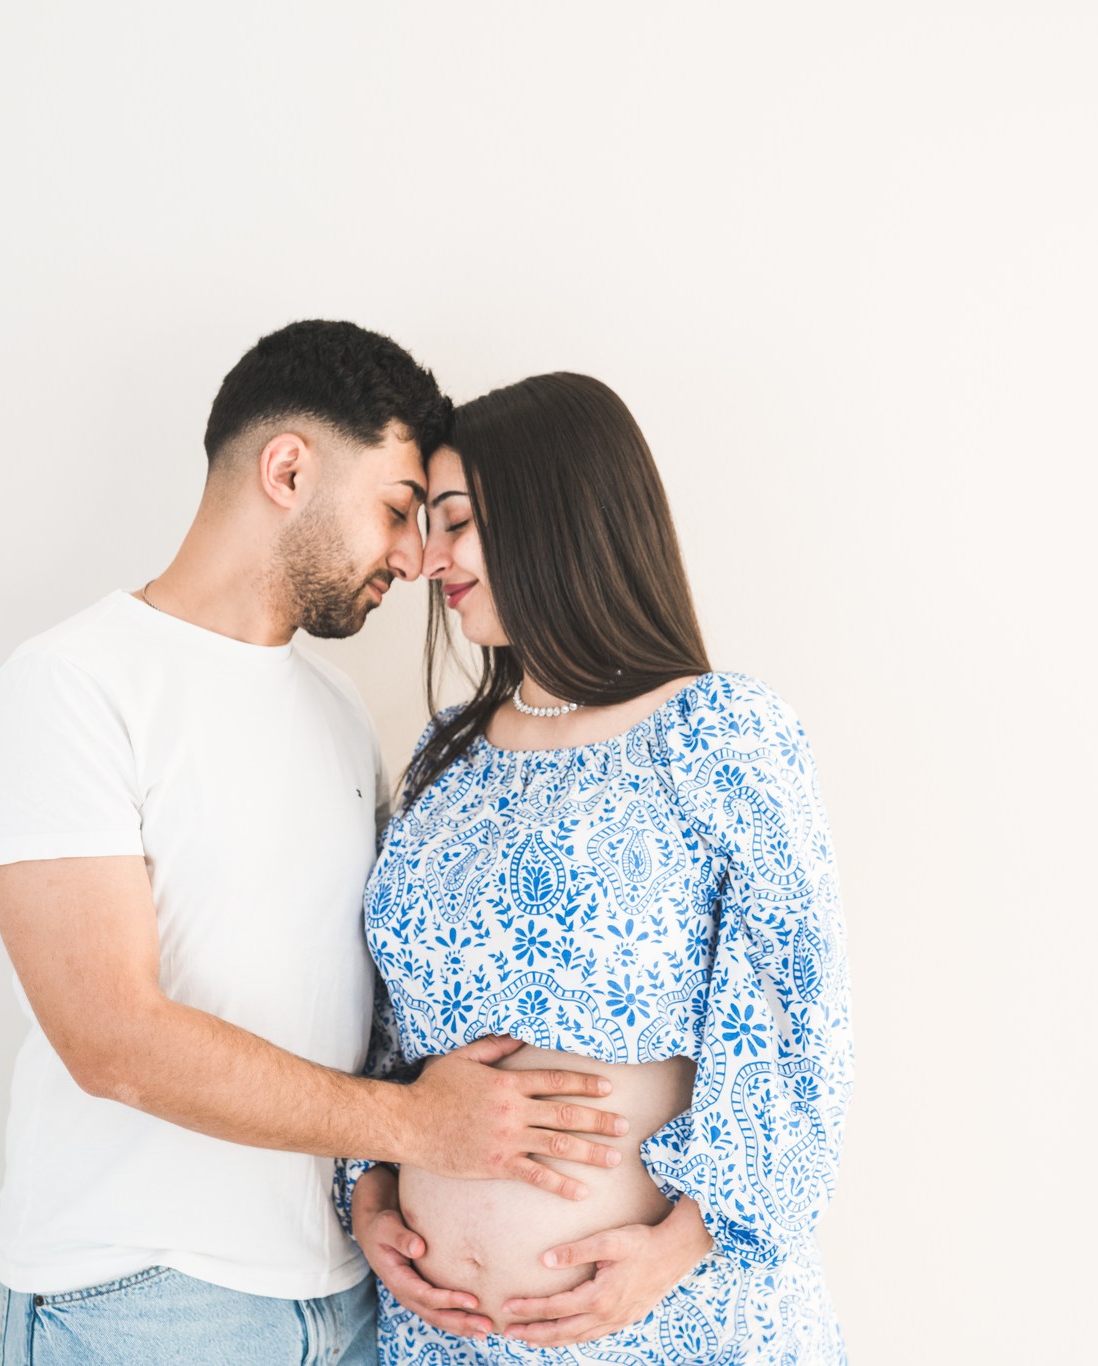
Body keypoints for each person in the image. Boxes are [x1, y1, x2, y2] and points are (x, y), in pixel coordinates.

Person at [0, 324, 630, 1366]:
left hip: (350, 1294)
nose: (415, 558)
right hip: (142, 1299)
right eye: (398, 509)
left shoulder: (337, 712)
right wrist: (419, 1131)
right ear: (287, 468)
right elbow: (111, 1039)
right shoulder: (71, 686)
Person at [339, 373, 855, 1363]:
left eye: (456, 522)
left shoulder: (716, 732)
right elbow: (384, 1025)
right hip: (444, 1338)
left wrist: (673, 1251)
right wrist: (369, 1195)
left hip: (667, 1324)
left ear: (549, 517)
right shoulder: (446, 753)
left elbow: (800, 1021)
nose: (430, 558)